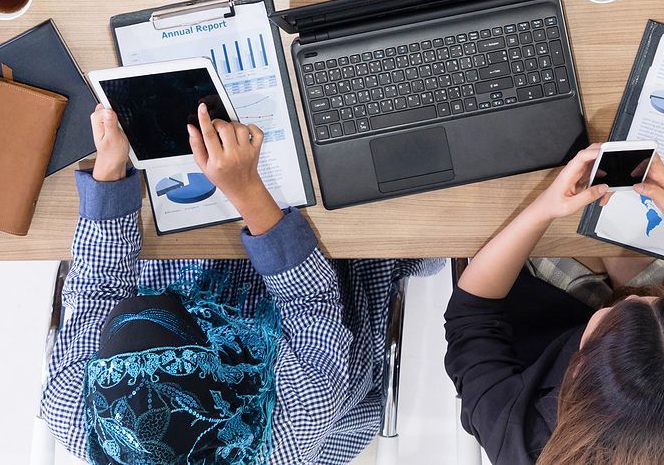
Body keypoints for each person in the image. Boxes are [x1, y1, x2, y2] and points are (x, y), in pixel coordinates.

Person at [42, 103, 438, 463]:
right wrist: (246, 189)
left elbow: (99, 288)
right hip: (313, 318)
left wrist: (111, 169)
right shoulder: (299, 419)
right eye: (176, 316)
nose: (160, 299)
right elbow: (309, 298)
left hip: (194, 276)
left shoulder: (69, 405)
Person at [445, 146, 664, 465]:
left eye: (625, 306)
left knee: (593, 220)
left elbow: (472, 313)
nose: (631, 295)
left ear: (579, 363)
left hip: (546, 312)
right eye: (649, 301)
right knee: (627, 241)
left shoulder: (519, 438)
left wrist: (544, 209)